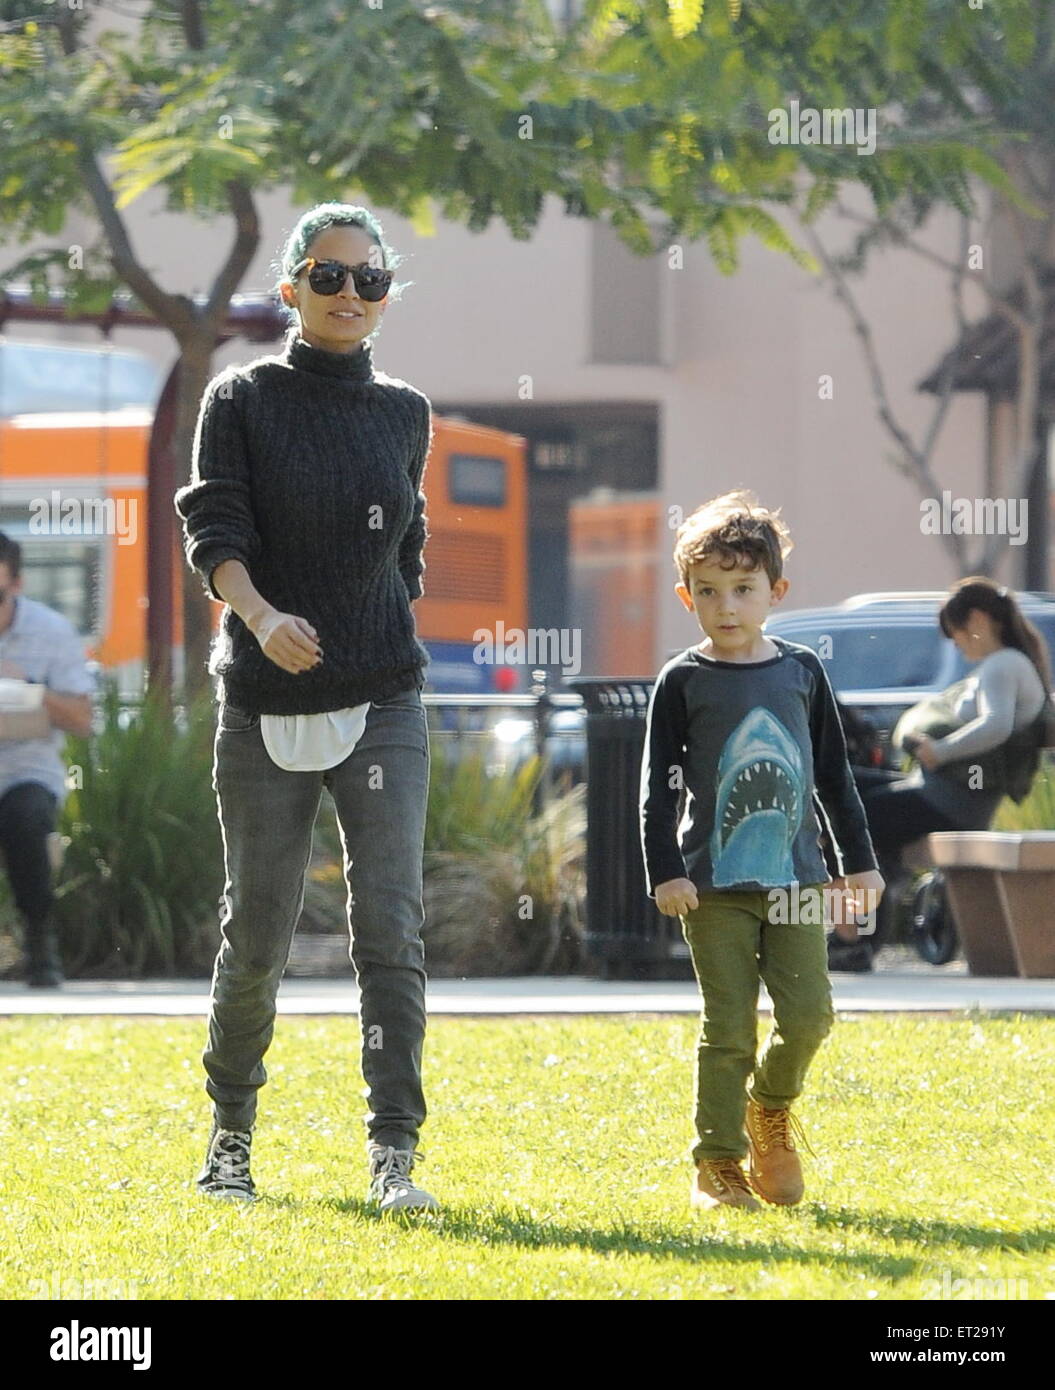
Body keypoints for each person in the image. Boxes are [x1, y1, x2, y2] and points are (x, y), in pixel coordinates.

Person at [174, 203, 437, 1212]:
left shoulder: (403, 412)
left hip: (382, 698)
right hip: (262, 699)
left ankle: (394, 1154)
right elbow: (216, 527)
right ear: (290, 286)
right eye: (328, 277)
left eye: (368, 281)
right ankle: (230, 1139)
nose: (348, 296)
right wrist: (261, 615)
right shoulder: (242, 397)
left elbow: (405, 553)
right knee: (259, 931)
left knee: (392, 929)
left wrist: (370, 630)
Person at [639, 490, 884, 1212]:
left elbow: (834, 778)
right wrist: (665, 872)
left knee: (809, 1015)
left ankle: (767, 1109)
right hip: (710, 886)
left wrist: (857, 862)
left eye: (742, 590)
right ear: (687, 597)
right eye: (709, 592)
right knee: (728, 1030)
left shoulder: (802, 671)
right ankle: (715, 1166)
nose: (727, 606)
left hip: (797, 882)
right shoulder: (680, 680)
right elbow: (655, 788)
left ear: (773, 593)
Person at [828, 577, 1051, 973]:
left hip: (950, 803)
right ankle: (857, 930)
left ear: (979, 619)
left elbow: (995, 725)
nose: (958, 646)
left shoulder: (1004, 664)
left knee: (846, 819)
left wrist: (939, 751)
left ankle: (851, 939)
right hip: (936, 793)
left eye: (958, 634)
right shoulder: (1006, 663)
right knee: (838, 790)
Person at [0, 532, 94, 988]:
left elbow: (82, 717)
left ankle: (40, 945)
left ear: (16, 584)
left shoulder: (50, 631)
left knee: (25, 816)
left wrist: (31, 686)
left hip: (26, 769)